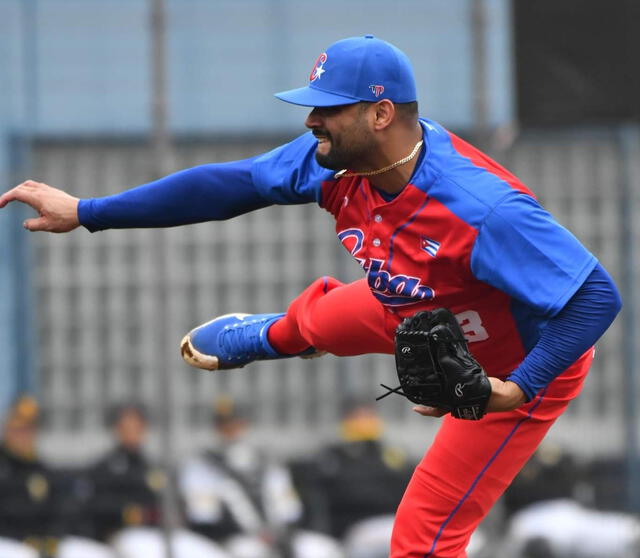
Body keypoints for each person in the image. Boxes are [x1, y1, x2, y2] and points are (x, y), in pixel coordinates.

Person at [0, 34, 622, 557]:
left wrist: (515, 388)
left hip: (523, 361)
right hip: (412, 305)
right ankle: (273, 334)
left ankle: (296, 335)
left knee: (422, 538)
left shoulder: (481, 209)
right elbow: (226, 186)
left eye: (328, 108)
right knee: (319, 323)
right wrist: (87, 211)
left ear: (380, 114)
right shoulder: (331, 162)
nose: (309, 120)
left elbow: (595, 297)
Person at [178, 397, 343, 558]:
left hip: (276, 535)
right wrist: (254, 534)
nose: (232, 429)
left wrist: (278, 535)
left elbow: (287, 509)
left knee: (323, 549)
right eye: (225, 425)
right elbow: (204, 518)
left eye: (236, 423)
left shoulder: (265, 460)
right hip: (231, 539)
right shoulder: (201, 466)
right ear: (217, 427)